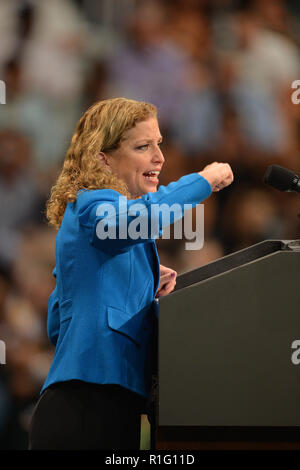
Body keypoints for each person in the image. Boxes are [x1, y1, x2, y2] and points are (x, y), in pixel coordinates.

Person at [28, 97, 233, 450]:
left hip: (116, 407)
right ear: (102, 157)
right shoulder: (93, 204)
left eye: (159, 144)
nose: (159, 157)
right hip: (84, 406)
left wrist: (145, 290)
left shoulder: (117, 238)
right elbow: (139, 220)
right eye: (143, 146)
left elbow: (58, 320)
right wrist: (202, 181)